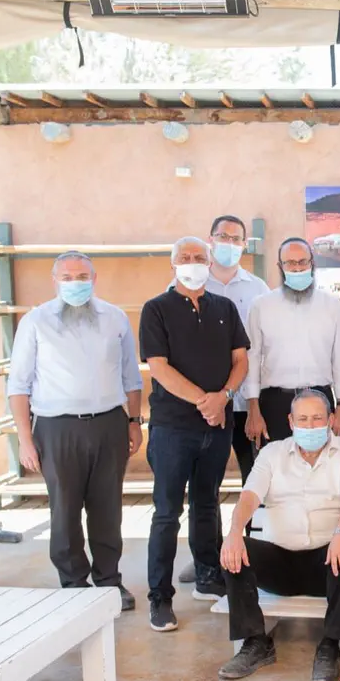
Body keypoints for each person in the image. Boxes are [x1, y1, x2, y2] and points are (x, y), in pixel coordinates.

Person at [8, 252, 142, 611]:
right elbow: (18, 386)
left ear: (94, 279)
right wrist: (25, 440)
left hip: (109, 424)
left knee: (107, 508)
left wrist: (134, 421)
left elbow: (131, 375)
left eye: (82, 276)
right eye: (66, 277)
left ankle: (109, 581)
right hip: (57, 428)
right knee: (65, 509)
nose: (75, 283)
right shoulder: (35, 322)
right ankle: (74, 583)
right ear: (54, 281)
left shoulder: (114, 318)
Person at [217, 390, 340, 681]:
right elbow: (250, 495)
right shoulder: (272, 454)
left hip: (327, 561)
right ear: (290, 421)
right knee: (235, 549)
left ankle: (330, 645)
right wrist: (234, 532)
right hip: (280, 562)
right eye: (303, 419)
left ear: (330, 420)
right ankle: (256, 643)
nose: (310, 426)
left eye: (317, 419)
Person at [140, 237, 250, 632]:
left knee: (207, 504)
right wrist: (205, 401)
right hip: (173, 428)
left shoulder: (225, 308)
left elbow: (241, 360)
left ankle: (208, 576)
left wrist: (224, 397)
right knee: (167, 512)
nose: (193, 263)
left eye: (199, 257)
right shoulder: (156, 309)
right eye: (185, 257)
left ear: (209, 263)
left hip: (217, 427)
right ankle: (160, 597)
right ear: (172, 264)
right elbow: (159, 367)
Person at [175, 215, 272, 588]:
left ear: (244, 245)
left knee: (256, 482)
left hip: (247, 405)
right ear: (210, 240)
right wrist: (206, 400)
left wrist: (255, 402)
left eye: (236, 238)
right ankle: (207, 558)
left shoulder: (258, 288)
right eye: (222, 236)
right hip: (203, 408)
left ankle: (251, 554)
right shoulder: (185, 283)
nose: (229, 243)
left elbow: (259, 351)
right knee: (204, 489)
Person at [244, 238, 340, 448]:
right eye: (290, 263)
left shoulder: (330, 305)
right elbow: (253, 358)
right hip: (275, 404)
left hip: (320, 400)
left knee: (321, 464)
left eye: (303, 262)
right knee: (276, 464)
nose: (297, 268)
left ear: (312, 264)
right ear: (280, 267)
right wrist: (253, 409)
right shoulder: (261, 306)